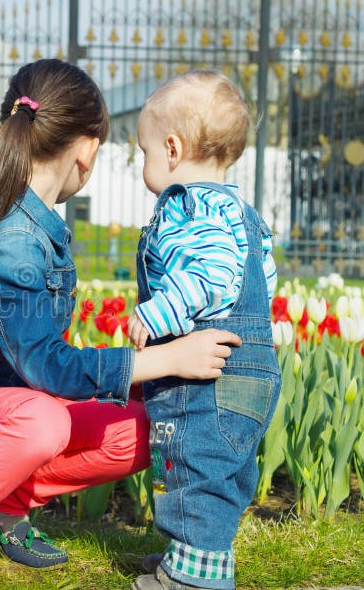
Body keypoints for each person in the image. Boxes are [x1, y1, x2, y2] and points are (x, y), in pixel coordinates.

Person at [0, 59, 242, 590]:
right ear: (87, 150)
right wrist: (165, 358)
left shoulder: (41, 226)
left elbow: (41, 366)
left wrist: (146, 374)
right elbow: (49, 369)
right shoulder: (13, 240)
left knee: (146, 428)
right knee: (43, 420)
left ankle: (3, 505)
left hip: (10, 410)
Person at [126, 70, 282, 590]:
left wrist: (160, 313)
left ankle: (193, 579)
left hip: (211, 375)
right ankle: (193, 558)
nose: (144, 163)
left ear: (172, 149)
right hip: (251, 366)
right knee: (221, 471)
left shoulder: (187, 207)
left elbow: (212, 275)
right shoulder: (241, 211)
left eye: (145, 152)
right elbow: (261, 277)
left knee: (194, 466)